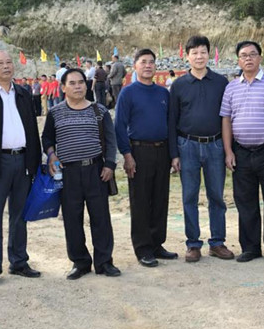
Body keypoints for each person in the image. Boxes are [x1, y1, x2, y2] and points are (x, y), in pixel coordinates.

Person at [0, 50, 43, 287]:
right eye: (0, 63)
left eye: (9, 62)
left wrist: (34, 163)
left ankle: (19, 261)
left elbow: (32, 129)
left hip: (22, 161)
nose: (6, 66)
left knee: (20, 215)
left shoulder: (23, 93)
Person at [42, 68, 121, 279]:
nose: (77, 87)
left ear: (86, 85)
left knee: (101, 218)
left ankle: (104, 262)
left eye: (81, 82)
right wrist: (52, 155)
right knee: (72, 219)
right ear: (63, 87)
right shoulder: (55, 113)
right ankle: (80, 262)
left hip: (96, 171)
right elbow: (47, 139)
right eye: (72, 83)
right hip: (68, 173)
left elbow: (111, 140)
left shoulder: (99, 110)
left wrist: (110, 165)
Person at [220, 40, 264, 264]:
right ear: (238, 60)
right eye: (244, 55)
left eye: (253, 54)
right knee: (245, 202)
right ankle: (250, 248)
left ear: (260, 58)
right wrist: (228, 151)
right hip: (241, 152)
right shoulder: (231, 87)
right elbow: (226, 120)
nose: (248, 58)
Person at [169, 35, 234, 262]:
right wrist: (174, 154)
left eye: (203, 52)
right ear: (187, 56)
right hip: (187, 145)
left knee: (216, 195)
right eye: (194, 52)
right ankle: (193, 244)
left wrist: (228, 149)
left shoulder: (221, 82)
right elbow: (172, 121)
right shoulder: (178, 85)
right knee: (190, 196)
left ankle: (217, 242)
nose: (199, 56)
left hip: (215, 145)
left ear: (209, 54)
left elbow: (228, 117)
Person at [114, 48, 177, 267]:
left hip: (162, 150)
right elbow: (119, 126)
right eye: (143, 62)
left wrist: (173, 155)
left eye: (151, 62)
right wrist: (127, 155)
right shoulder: (128, 93)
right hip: (139, 151)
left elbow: (170, 125)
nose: (148, 65)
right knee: (140, 200)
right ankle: (143, 248)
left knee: (160, 199)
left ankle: (157, 243)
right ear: (135, 66)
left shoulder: (163, 93)